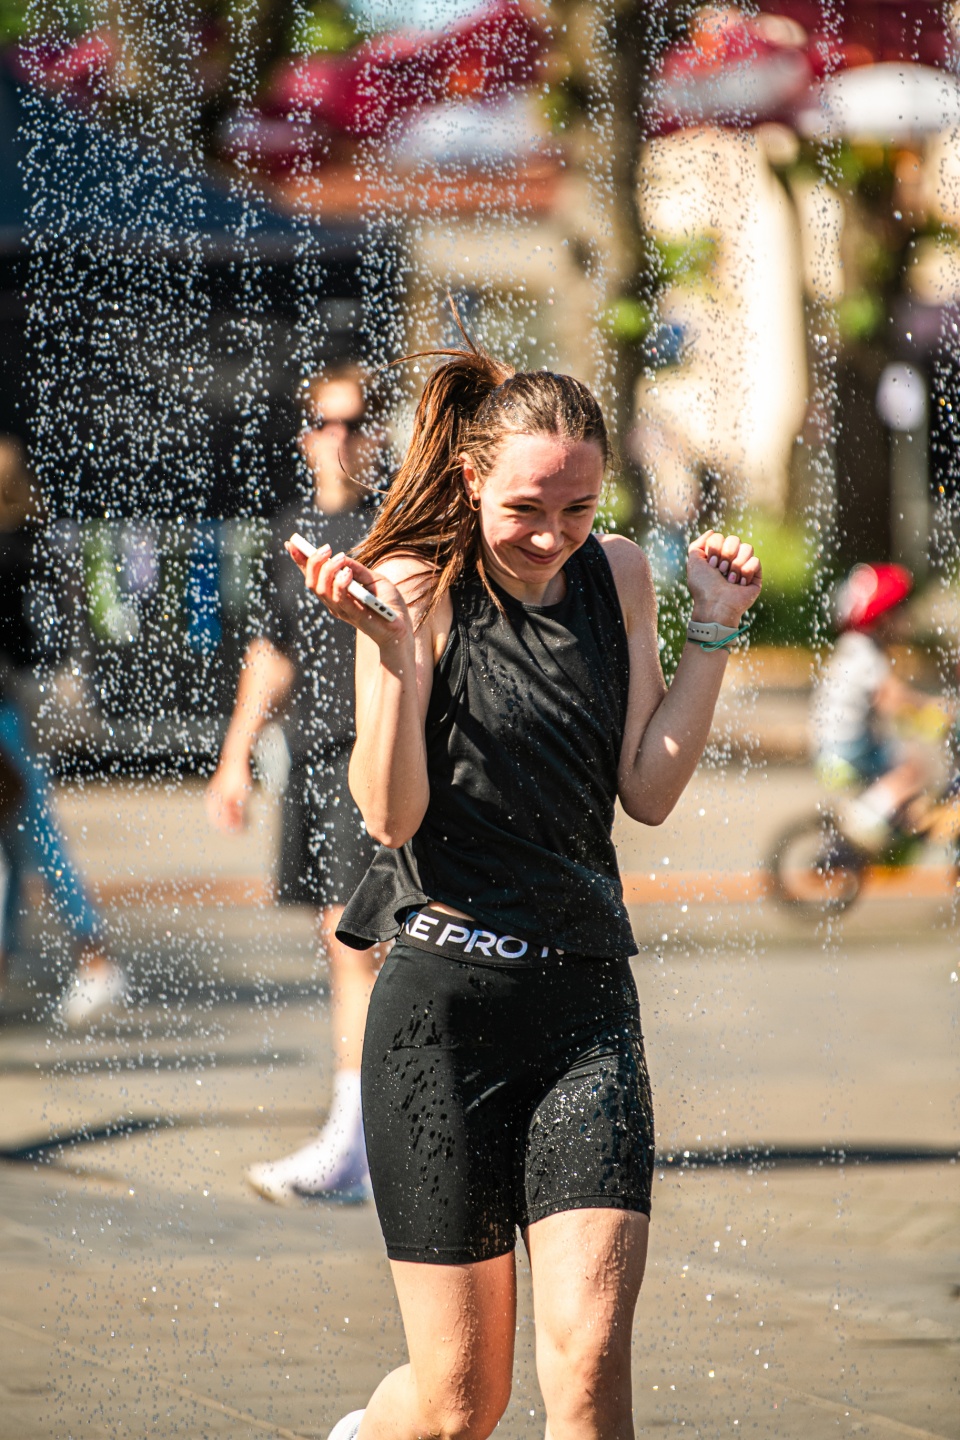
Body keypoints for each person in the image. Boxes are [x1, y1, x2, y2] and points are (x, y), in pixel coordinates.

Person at [289, 317, 761, 1440]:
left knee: (589, 1369)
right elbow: (389, 817)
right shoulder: (411, 586)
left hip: (585, 1011)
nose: (552, 536)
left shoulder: (620, 576)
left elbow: (646, 790)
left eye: (578, 509)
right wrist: (395, 653)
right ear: (470, 481)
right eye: (525, 509)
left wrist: (714, 631)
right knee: (460, 1405)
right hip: (440, 1020)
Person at [205, 365, 383, 1202]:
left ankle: (361, 1144)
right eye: (325, 422)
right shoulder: (293, 529)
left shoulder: (394, 527)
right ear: (306, 435)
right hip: (313, 759)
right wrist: (234, 758)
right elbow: (271, 653)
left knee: (361, 945)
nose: (339, 437)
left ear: (377, 434)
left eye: (357, 421)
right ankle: (370, 1134)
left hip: (371, 760)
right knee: (342, 940)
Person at [0, 436, 126, 1025]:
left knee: (34, 836)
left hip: (6, 713)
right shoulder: (35, 543)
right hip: (19, 708)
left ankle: (95, 956)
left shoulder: (9, 551)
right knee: (19, 842)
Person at [812, 562, 942, 852]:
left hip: (836, 744)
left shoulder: (853, 645)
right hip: (847, 749)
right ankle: (862, 819)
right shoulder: (864, 651)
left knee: (902, 765)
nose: (906, 619)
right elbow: (891, 697)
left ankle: (887, 839)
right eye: (900, 611)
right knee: (912, 769)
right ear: (883, 617)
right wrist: (933, 708)